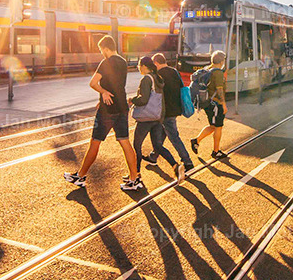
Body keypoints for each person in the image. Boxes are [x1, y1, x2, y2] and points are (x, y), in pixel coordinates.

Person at [63, 34, 143, 193]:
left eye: (101, 50)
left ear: (106, 49)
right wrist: (105, 94)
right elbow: (116, 83)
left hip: (108, 110)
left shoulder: (106, 62)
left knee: (95, 142)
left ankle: (81, 176)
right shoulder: (122, 61)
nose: (101, 53)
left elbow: (93, 83)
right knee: (125, 142)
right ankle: (134, 178)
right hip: (121, 106)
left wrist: (103, 92)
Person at [129, 56, 184, 183]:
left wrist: (132, 100)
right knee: (158, 146)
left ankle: (136, 174)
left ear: (143, 66)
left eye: (139, 66)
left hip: (145, 118)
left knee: (136, 145)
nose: (138, 68)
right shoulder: (157, 78)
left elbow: (143, 99)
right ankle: (175, 166)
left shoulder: (146, 79)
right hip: (157, 117)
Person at [149, 52, 195, 173]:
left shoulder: (158, 74)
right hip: (175, 108)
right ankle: (153, 156)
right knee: (165, 132)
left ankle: (187, 161)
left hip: (165, 110)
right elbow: (182, 87)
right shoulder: (174, 71)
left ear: (156, 63)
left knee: (173, 136)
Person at [191, 50, 227, 160]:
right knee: (218, 127)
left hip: (207, 102)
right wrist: (223, 104)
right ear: (221, 61)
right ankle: (216, 151)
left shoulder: (207, 69)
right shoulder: (218, 73)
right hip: (216, 104)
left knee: (213, 126)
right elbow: (219, 90)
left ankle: (196, 141)